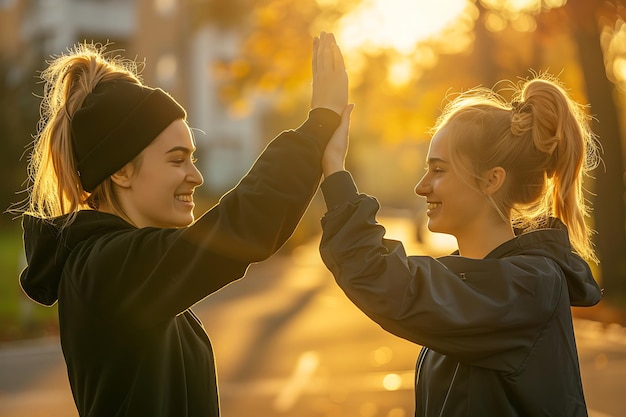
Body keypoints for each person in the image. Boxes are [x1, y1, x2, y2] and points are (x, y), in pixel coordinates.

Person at [18, 32, 347, 417]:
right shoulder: (106, 269)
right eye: (177, 160)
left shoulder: (122, 264)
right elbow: (239, 228)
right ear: (122, 171)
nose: (196, 176)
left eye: (193, 158)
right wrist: (319, 125)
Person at [319, 74, 603, 416]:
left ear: (491, 180)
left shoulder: (527, 288)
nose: (421, 187)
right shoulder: (488, 281)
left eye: (438, 170)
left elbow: (387, 282)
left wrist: (335, 170)